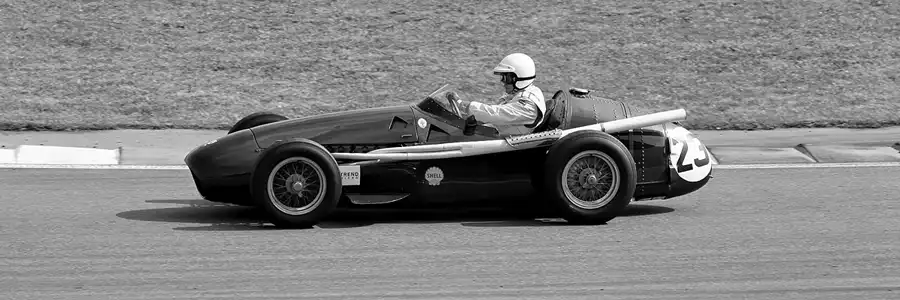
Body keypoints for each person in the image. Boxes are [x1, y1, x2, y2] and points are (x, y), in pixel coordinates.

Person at [448, 53, 546, 136]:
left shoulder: (528, 106)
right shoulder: (523, 92)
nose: (503, 82)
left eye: (506, 78)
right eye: (503, 77)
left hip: (504, 147)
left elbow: (495, 113)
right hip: (494, 135)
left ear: (519, 78)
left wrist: (464, 105)